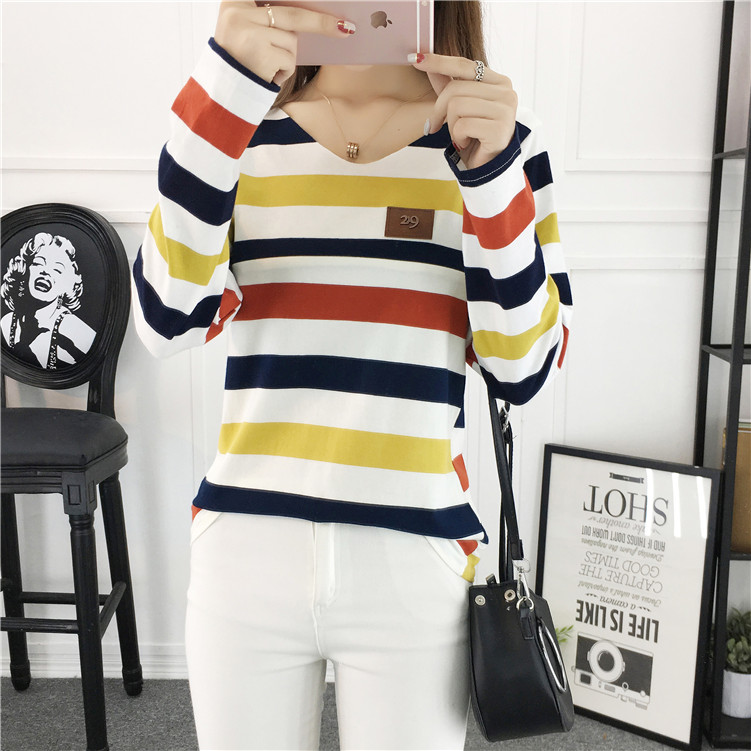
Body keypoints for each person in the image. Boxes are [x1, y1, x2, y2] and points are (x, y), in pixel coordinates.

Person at [132, 1, 572, 748]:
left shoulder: (496, 142)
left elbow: (522, 368)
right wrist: (224, 83)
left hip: (415, 554)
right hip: (247, 550)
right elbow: (165, 319)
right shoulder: (236, 128)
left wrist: (491, 177)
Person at [1, 232, 95, 369]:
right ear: (25, 270)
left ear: (68, 283)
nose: (45, 271)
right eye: (38, 263)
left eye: (57, 269)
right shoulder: (7, 322)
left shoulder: (77, 332)